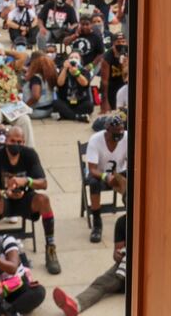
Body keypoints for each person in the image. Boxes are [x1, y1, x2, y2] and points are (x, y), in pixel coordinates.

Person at [0, 124, 61, 275]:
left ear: (24, 142)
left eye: (19, 142)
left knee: (44, 200)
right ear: (6, 141)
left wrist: (27, 181)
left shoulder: (29, 154)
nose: (16, 145)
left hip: (25, 198)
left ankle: (50, 248)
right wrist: (5, 193)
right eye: (12, 141)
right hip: (5, 199)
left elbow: (43, 183)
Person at [52, 214, 127, 314]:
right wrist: (120, 255)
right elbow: (116, 254)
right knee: (101, 283)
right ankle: (76, 304)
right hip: (125, 269)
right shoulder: (122, 222)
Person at [83, 111, 127, 244]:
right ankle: (97, 223)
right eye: (115, 133)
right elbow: (92, 169)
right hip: (99, 174)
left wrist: (120, 176)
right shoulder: (95, 140)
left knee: (134, 180)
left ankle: (130, 215)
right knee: (93, 183)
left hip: (119, 173)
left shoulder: (127, 138)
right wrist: (105, 176)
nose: (118, 136)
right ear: (107, 131)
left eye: (121, 132)